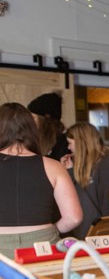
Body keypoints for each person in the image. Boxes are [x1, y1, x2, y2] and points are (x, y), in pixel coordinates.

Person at [0, 102, 81, 256]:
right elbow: (73, 217)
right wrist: (51, 229)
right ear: (32, 129)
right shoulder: (54, 166)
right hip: (43, 244)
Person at [64, 121, 109, 238]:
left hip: (100, 236)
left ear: (82, 142)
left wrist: (106, 236)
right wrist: (69, 171)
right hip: (84, 235)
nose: (68, 147)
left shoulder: (106, 165)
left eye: (70, 143)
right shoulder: (80, 166)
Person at [28, 92, 69, 161]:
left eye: (34, 117)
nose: (30, 121)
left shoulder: (65, 141)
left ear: (46, 119)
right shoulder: (35, 139)